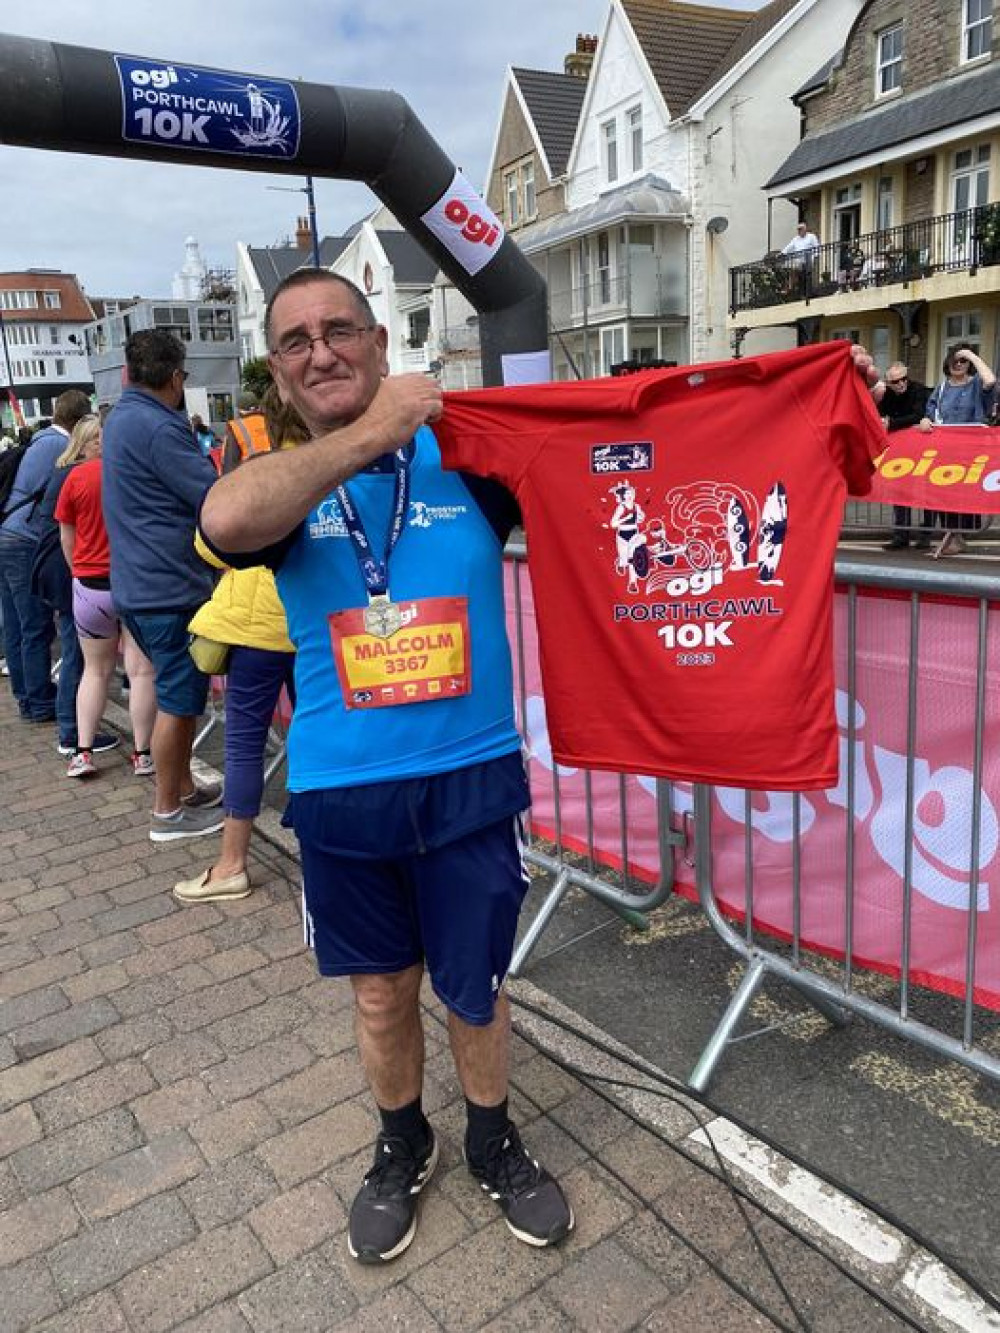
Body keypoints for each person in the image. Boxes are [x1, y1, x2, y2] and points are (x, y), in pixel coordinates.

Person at [200, 269, 575, 1266]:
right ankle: (403, 1138)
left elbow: (604, 443)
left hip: (467, 776)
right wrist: (365, 438)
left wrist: (784, 400)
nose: (320, 351)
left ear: (376, 340)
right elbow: (226, 522)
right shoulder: (284, 481)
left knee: (475, 986)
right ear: (277, 374)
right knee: (379, 991)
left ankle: (492, 1135)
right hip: (341, 790)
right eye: (295, 342)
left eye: (339, 331)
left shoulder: (465, 458)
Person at [173, 387, 304, 904]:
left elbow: (213, 539)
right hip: (311, 622)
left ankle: (231, 865)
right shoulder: (342, 465)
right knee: (316, 730)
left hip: (255, 622)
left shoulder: (255, 463)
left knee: (246, 741)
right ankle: (320, 849)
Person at [101, 328, 224, 842]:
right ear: (176, 378)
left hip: (138, 584)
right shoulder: (160, 428)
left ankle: (183, 792)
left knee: (173, 691)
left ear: (128, 372)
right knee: (180, 700)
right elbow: (213, 497)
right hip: (169, 588)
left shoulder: (121, 419)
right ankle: (169, 810)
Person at [54, 415, 156, 779]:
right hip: (132, 582)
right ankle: (143, 756)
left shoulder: (74, 480)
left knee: (94, 672)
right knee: (142, 671)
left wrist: (78, 572)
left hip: (89, 587)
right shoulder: (130, 474)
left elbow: (67, 538)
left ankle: (82, 753)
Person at [0, 389, 91, 726]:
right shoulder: (60, 448)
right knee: (36, 625)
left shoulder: (39, 441)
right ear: (80, 422)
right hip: (27, 538)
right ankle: (40, 702)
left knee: (15, 623)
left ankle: (26, 696)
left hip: (8, 532)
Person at [917, 346, 997, 553]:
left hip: (970, 450)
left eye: (963, 361)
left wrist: (970, 354)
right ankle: (952, 536)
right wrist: (925, 420)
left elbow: (990, 381)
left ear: (970, 364)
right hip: (944, 450)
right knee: (944, 492)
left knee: (964, 494)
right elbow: (930, 412)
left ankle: (957, 536)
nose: (958, 364)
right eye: (955, 360)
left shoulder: (977, 385)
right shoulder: (941, 388)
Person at [876, 363, 931, 551]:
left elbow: (917, 416)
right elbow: (880, 415)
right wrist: (884, 420)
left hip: (923, 451)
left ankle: (925, 535)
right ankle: (901, 535)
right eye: (895, 381)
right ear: (888, 383)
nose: (901, 384)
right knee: (899, 491)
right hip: (900, 453)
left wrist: (891, 424)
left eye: (903, 379)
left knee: (925, 493)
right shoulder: (888, 396)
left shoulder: (919, 391)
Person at [221, 391, 269, 473]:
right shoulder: (270, 421)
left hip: (251, 475)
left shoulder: (236, 426)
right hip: (275, 471)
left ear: (240, 409)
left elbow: (230, 462)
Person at [781, 220, 820, 296]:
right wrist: (782, 253)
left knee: (801, 274)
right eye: (798, 229)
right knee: (790, 269)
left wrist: (816, 256)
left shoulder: (811, 237)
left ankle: (792, 288)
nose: (799, 231)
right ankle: (790, 287)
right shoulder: (796, 239)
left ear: (805, 229)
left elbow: (817, 247)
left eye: (801, 229)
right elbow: (789, 247)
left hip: (808, 260)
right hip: (798, 261)